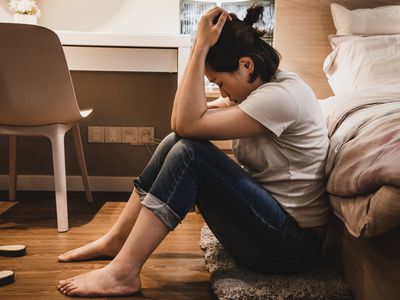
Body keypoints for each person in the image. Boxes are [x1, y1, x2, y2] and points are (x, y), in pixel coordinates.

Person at [57, 5, 331, 297]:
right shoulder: (258, 91)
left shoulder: (280, 98)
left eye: (220, 83)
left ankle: (123, 273)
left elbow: (187, 123)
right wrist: (197, 50)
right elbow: (180, 122)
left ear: (246, 65)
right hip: (271, 230)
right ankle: (116, 240)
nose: (223, 93)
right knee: (175, 143)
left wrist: (199, 47)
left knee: (190, 153)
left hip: (292, 247)